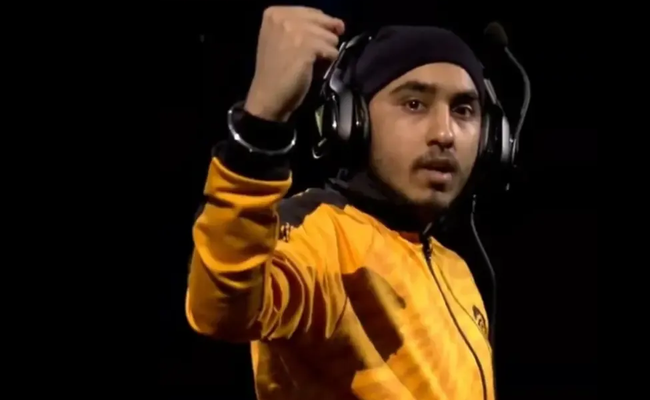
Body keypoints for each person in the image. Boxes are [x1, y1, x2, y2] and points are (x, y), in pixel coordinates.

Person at [186, 5, 496, 400]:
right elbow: (222, 308)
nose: (445, 133)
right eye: (414, 104)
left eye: (463, 110)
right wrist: (260, 127)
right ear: (352, 121)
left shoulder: (457, 269)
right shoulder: (319, 235)